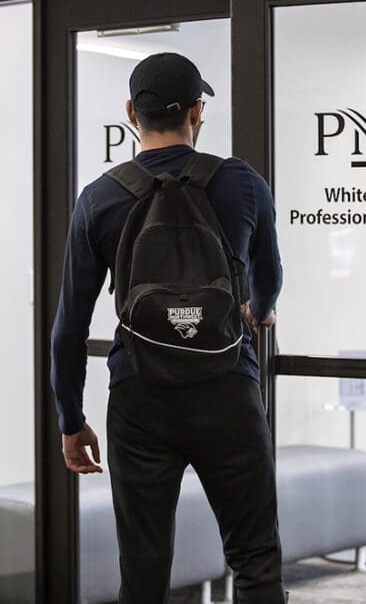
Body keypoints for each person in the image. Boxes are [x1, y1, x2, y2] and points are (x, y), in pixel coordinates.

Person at [50, 52, 287, 604]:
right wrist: (260, 306)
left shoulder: (100, 197)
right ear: (197, 111)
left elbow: (69, 327)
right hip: (228, 388)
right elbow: (269, 278)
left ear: (132, 112)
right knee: (255, 557)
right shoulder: (242, 183)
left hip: (139, 400)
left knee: (144, 566)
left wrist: (71, 419)